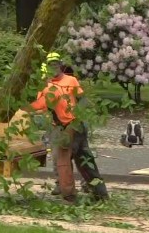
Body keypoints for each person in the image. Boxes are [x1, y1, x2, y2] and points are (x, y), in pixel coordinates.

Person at [30, 53, 109, 201]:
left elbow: (83, 99)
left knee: (84, 158)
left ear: (60, 65)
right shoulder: (44, 85)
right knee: (61, 160)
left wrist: (78, 115)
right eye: (50, 65)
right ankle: (67, 192)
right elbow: (41, 106)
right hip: (57, 127)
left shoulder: (71, 80)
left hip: (75, 125)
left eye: (55, 64)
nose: (53, 67)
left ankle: (99, 192)